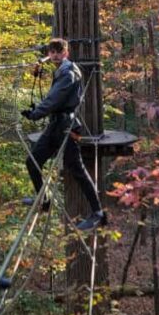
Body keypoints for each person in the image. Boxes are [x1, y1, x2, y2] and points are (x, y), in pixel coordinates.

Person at [21, 38, 106, 231]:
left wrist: (37, 113)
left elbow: (55, 98)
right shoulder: (61, 70)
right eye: (52, 52)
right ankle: (43, 201)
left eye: (59, 52)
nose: (55, 55)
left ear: (66, 53)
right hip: (56, 125)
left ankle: (98, 213)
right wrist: (40, 110)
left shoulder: (69, 72)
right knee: (33, 161)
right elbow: (54, 100)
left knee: (77, 169)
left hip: (66, 127)